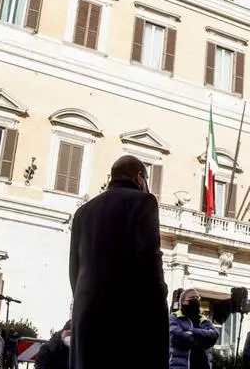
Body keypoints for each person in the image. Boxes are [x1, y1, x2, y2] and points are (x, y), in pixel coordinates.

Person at [69, 155, 169, 369]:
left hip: (85, 315)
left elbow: (74, 269)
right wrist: (160, 299)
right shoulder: (143, 201)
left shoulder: (83, 212)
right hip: (127, 317)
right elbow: (149, 260)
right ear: (139, 178)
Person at [170, 289, 220, 369]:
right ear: (183, 302)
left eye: (197, 298)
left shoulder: (204, 320)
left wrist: (193, 332)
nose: (195, 300)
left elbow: (215, 334)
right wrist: (203, 338)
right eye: (192, 297)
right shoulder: (175, 318)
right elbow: (178, 336)